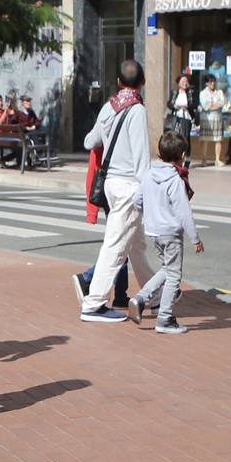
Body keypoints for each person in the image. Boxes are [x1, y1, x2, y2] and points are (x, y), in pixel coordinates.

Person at [77, 59, 152, 324]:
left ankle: (152, 293)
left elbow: (89, 141)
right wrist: (149, 194)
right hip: (129, 186)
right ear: (142, 83)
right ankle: (94, 302)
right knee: (116, 245)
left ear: (119, 82)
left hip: (110, 183)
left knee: (136, 244)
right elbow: (142, 158)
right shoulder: (137, 111)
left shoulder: (110, 106)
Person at [127, 131, 202, 335]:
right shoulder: (175, 180)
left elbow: (137, 201)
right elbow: (184, 212)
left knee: (167, 269)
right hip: (170, 233)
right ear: (182, 155)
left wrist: (151, 215)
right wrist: (195, 238)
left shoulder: (149, 174)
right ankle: (165, 318)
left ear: (160, 153)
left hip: (153, 231)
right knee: (174, 276)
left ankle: (140, 299)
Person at [167, 73, 197, 140]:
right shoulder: (174, 92)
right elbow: (169, 104)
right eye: (183, 81)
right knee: (176, 137)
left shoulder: (190, 93)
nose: (185, 83)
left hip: (186, 117)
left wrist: (186, 106)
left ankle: (186, 150)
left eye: (186, 81)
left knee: (185, 137)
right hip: (175, 118)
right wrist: (175, 106)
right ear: (178, 83)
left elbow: (195, 105)